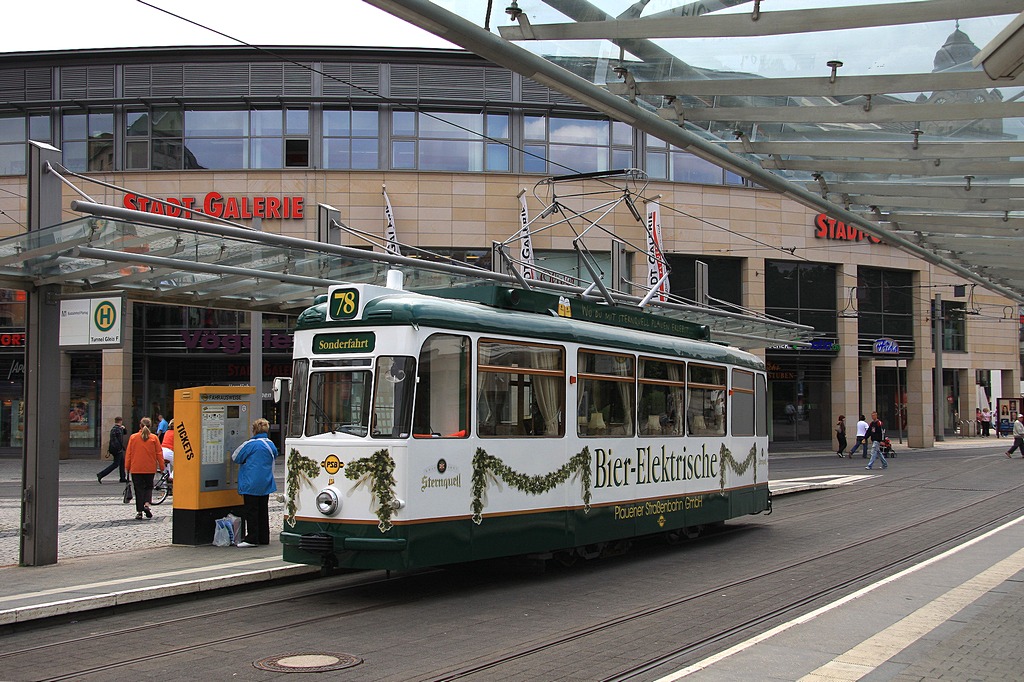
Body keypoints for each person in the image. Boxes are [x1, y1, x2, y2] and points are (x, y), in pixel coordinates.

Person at [231, 418, 279, 547]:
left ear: (254, 430)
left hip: (251, 482)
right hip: (266, 482)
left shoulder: (250, 444)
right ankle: (264, 538)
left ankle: (252, 538)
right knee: (263, 510)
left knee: (251, 511)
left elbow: (236, 457)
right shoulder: (271, 444)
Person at [125, 416, 165, 520]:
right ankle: (146, 504)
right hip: (149, 468)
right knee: (148, 487)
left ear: (140, 425)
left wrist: (127, 466)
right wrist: (162, 467)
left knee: (138, 489)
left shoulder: (133, 437)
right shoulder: (154, 438)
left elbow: (129, 453)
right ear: (150, 426)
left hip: (136, 467)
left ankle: (139, 512)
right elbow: (159, 453)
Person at [97, 416, 127, 483]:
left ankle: (122, 477)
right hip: (117, 449)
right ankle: (101, 474)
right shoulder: (118, 429)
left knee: (122, 462)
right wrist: (119, 448)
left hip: (115, 448)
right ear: (120, 421)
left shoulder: (115, 429)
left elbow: (124, 433)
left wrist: (123, 428)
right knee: (116, 464)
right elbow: (118, 440)